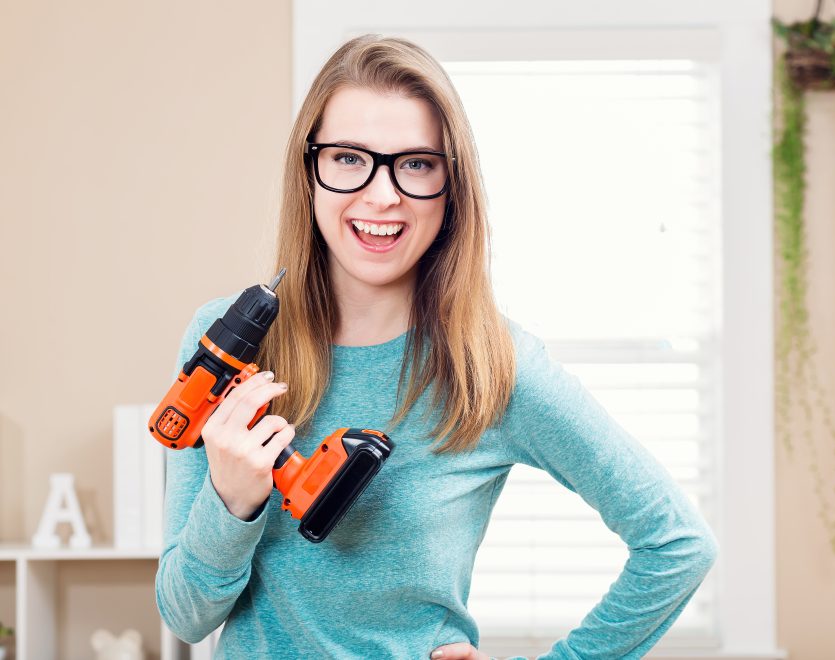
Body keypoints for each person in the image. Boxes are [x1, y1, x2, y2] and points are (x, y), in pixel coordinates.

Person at [155, 34, 718, 659]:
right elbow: (186, 615)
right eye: (347, 158)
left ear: (453, 186)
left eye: (417, 163)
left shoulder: (490, 368)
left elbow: (678, 545)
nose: (382, 195)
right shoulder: (230, 341)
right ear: (307, 171)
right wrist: (231, 500)